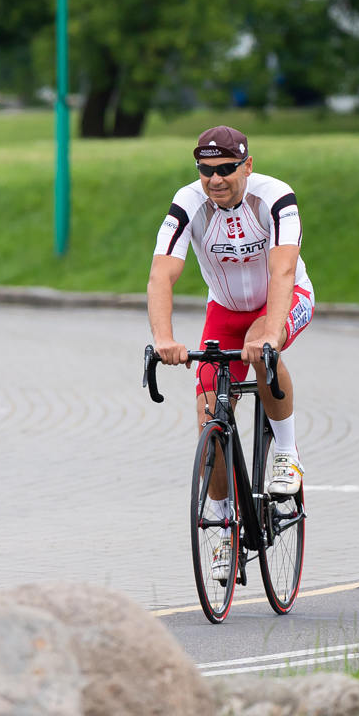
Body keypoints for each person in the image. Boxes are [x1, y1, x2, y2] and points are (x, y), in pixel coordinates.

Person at [146, 125, 314, 583]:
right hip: (223, 309)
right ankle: (222, 521)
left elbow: (282, 272)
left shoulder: (275, 198)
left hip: (283, 298)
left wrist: (271, 333)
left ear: (248, 165)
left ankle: (286, 451)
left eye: (226, 169)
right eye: (206, 170)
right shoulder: (188, 204)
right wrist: (165, 339)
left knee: (261, 351)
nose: (215, 179)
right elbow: (162, 276)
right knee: (209, 412)